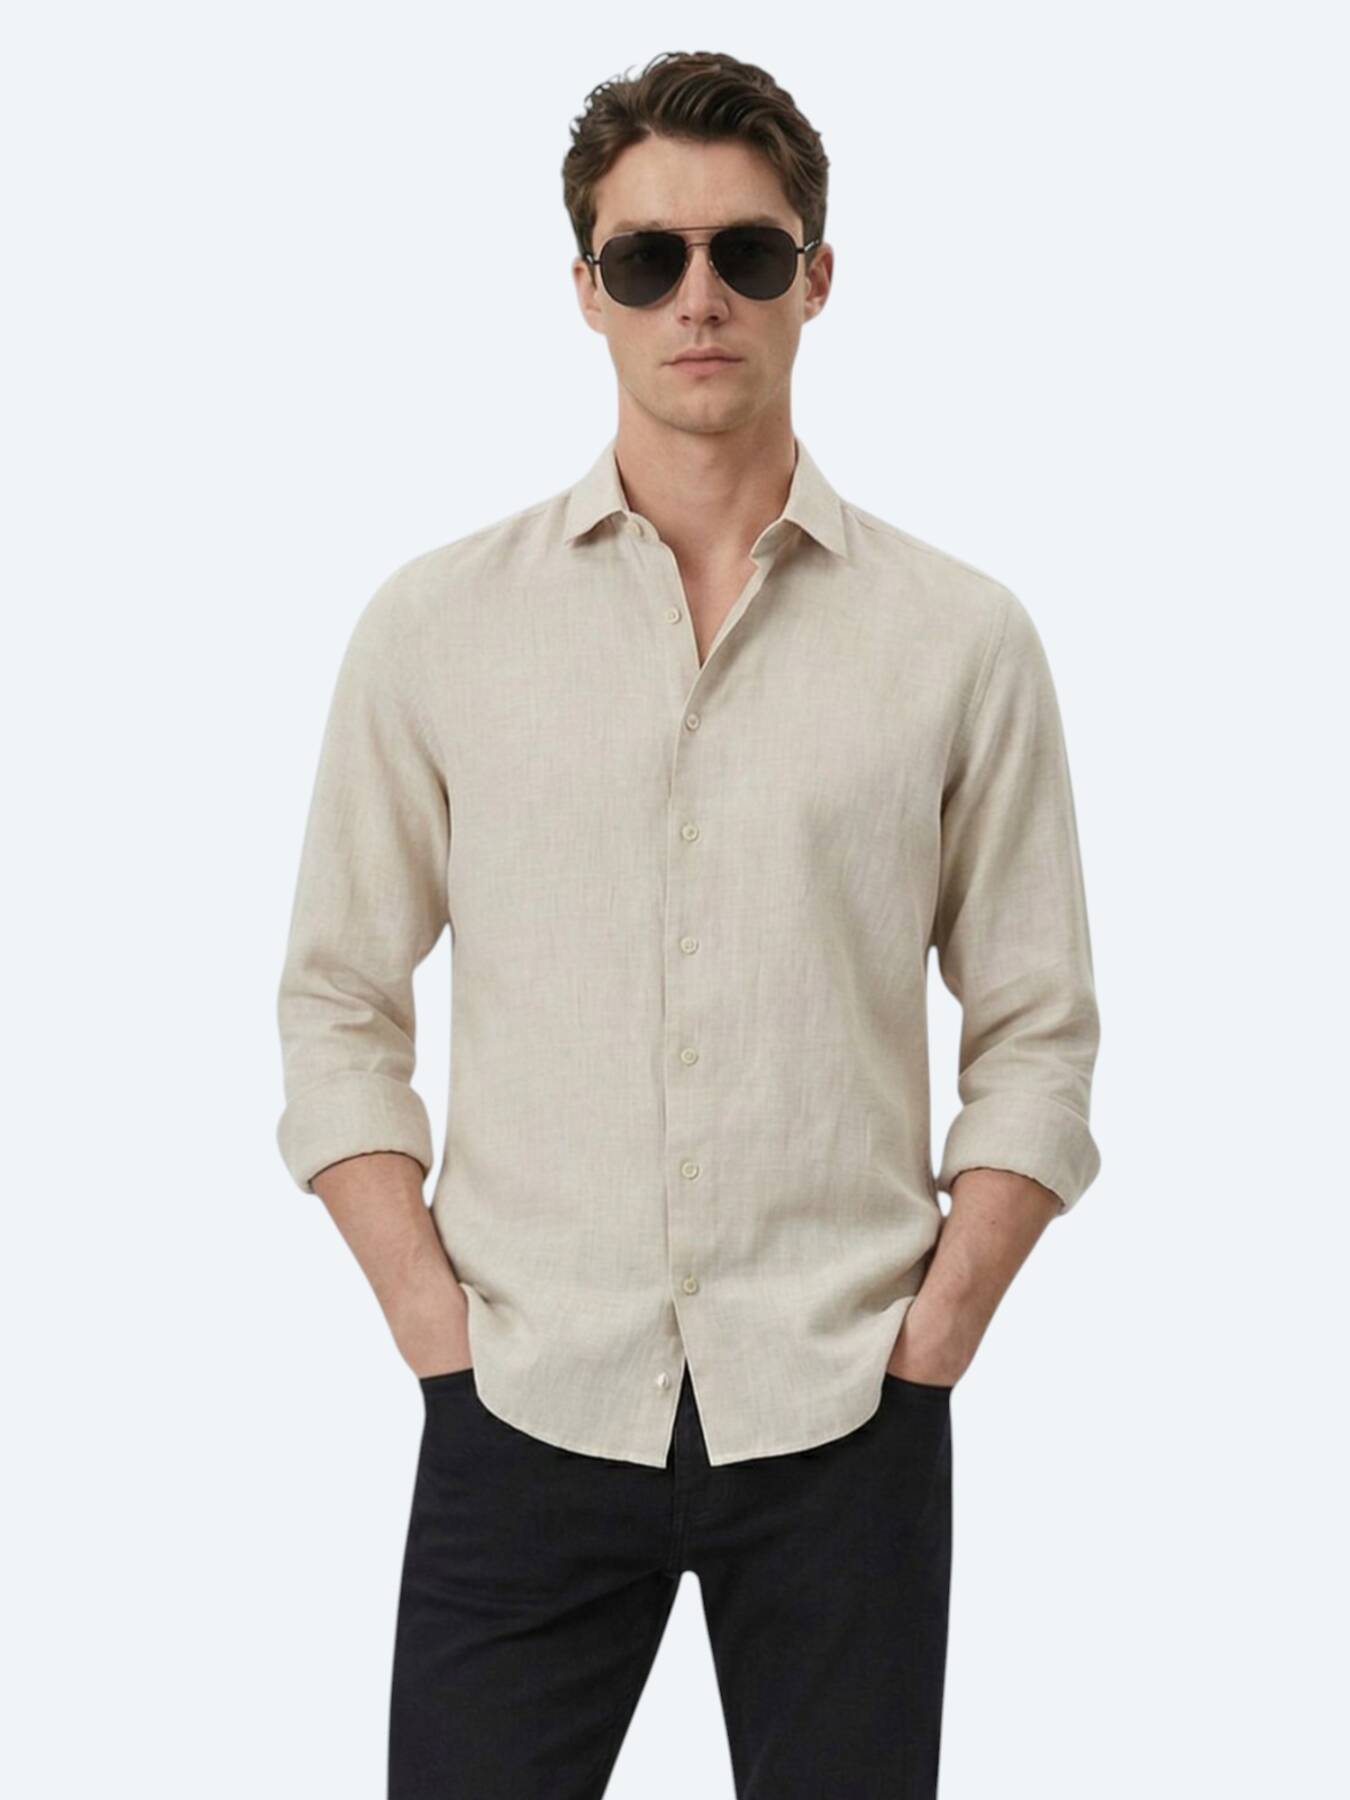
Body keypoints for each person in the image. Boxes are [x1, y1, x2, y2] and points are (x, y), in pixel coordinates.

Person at [274, 48, 1102, 1800]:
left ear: (818, 275)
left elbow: (1036, 1025)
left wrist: (936, 1334)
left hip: (844, 1409)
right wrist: (431, 1320)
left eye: (746, 250)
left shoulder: (959, 641)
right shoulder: (436, 628)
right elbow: (337, 999)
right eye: (647, 258)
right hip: (523, 1396)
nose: (697, 297)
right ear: (587, 290)